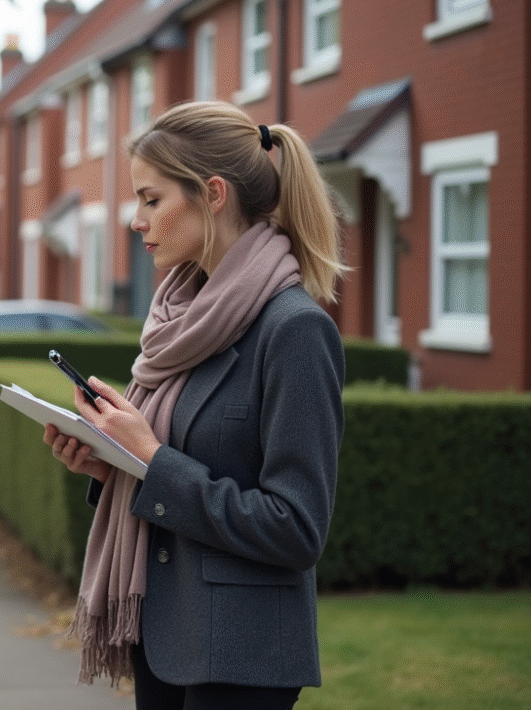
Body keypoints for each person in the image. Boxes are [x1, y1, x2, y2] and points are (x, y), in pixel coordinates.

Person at [44, 100, 346, 710]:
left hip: (241, 659)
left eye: (151, 199)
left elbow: (297, 528)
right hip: (164, 638)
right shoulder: (183, 321)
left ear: (212, 194)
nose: (137, 221)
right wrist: (112, 463)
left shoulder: (293, 330)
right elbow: (177, 467)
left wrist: (152, 460)